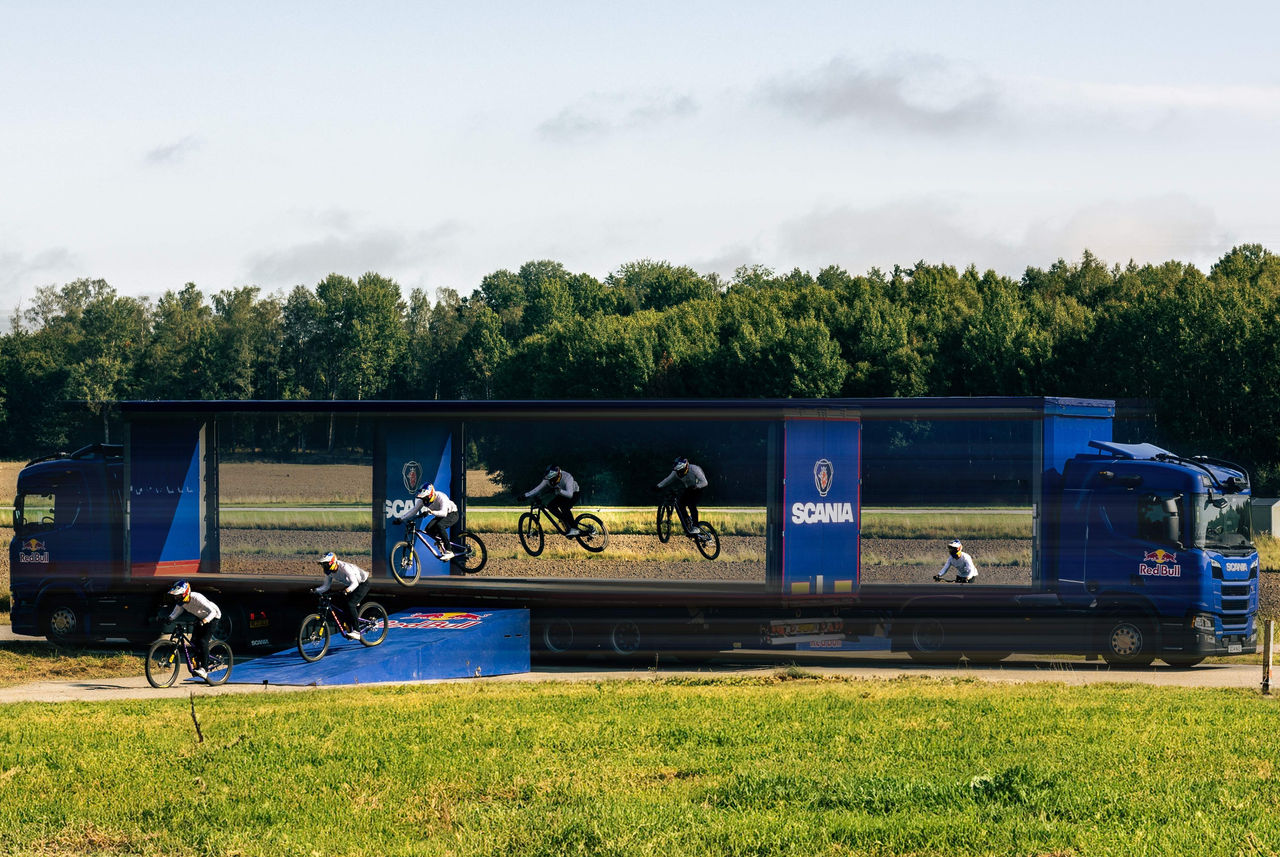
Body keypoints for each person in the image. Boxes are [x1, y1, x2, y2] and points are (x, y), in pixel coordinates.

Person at [163, 580, 221, 679]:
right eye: (175, 596)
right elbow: (176, 611)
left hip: (213, 617)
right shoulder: (181, 602)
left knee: (203, 641)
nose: (176, 598)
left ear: (185, 593)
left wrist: (204, 621)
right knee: (194, 642)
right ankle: (200, 660)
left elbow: (213, 612)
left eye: (178, 595)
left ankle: (204, 669)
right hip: (200, 617)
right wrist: (169, 618)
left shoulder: (196, 597)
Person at [392, 483, 459, 561]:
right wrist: (401, 519)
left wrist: (431, 512)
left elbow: (444, 513)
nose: (424, 500)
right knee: (429, 530)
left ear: (430, 494)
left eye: (425, 498)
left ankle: (449, 551)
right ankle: (441, 542)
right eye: (423, 498)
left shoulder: (441, 497)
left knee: (440, 525)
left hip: (452, 513)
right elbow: (413, 511)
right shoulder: (422, 500)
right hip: (439, 514)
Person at [314, 551, 371, 640]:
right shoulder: (330, 572)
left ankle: (356, 631)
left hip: (362, 583)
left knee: (350, 604)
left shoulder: (344, 567)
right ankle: (349, 625)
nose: (324, 567)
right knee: (340, 602)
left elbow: (355, 583)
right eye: (323, 565)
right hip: (351, 585)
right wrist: (316, 591)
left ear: (332, 562)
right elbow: (326, 586)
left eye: (325, 564)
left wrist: (347, 590)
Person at [656, 457, 709, 535]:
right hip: (689, 488)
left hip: (700, 487)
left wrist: (696, 486)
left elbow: (705, 482)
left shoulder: (694, 469)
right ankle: (687, 521)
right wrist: (658, 486)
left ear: (686, 467)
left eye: (681, 471)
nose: (679, 473)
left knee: (691, 504)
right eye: (678, 471)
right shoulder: (676, 471)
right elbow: (668, 480)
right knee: (680, 504)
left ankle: (696, 526)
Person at [524, 465, 580, 536]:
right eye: (550, 478)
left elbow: (569, 494)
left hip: (574, 493)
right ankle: (565, 522)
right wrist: (525, 495)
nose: (551, 480)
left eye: (553, 478)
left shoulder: (567, 477)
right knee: (550, 506)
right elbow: (537, 488)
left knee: (564, 507)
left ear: (558, 475)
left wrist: (559, 491)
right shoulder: (547, 479)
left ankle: (575, 529)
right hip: (561, 494)